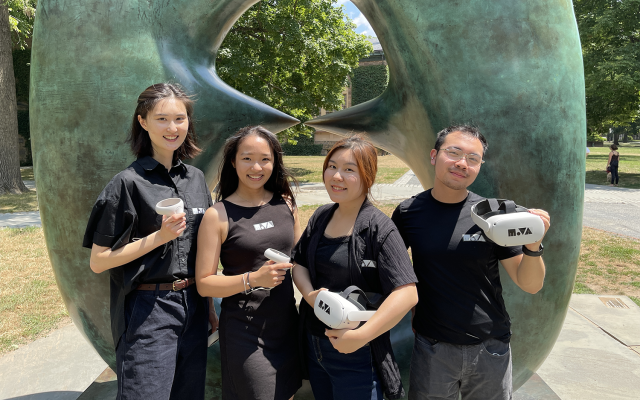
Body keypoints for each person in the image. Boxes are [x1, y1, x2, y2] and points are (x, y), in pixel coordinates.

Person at [391, 125, 550, 400]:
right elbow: (389, 270)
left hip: (490, 349)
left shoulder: (492, 215)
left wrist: (533, 244)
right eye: (454, 153)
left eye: (473, 159)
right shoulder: (408, 213)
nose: (462, 163)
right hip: (433, 348)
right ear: (433, 155)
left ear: (479, 166)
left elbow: (530, 284)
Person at [82, 83, 214, 399]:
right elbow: (99, 261)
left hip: (193, 307)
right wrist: (160, 237)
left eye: (180, 119)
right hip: (148, 310)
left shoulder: (196, 179)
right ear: (143, 121)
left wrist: (208, 307)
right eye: (161, 119)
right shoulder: (127, 183)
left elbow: (200, 251)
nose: (173, 128)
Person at [292, 135, 419, 400]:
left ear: (367, 177)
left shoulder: (379, 228)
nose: (336, 176)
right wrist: (310, 296)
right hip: (315, 345)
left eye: (350, 170)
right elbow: (300, 263)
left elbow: (407, 293)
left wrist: (361, 337)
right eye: (332, 166)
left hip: (358, 354)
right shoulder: (321, 215)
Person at [195, 126, 302, 400]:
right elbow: (205, 284)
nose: (257, 167)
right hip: (245, 331)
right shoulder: (217, 215)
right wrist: (253, 279)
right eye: (247, 158)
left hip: (286, 326)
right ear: (233, 162)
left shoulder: (287, 204)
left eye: (265, 159)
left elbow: (300, 261)